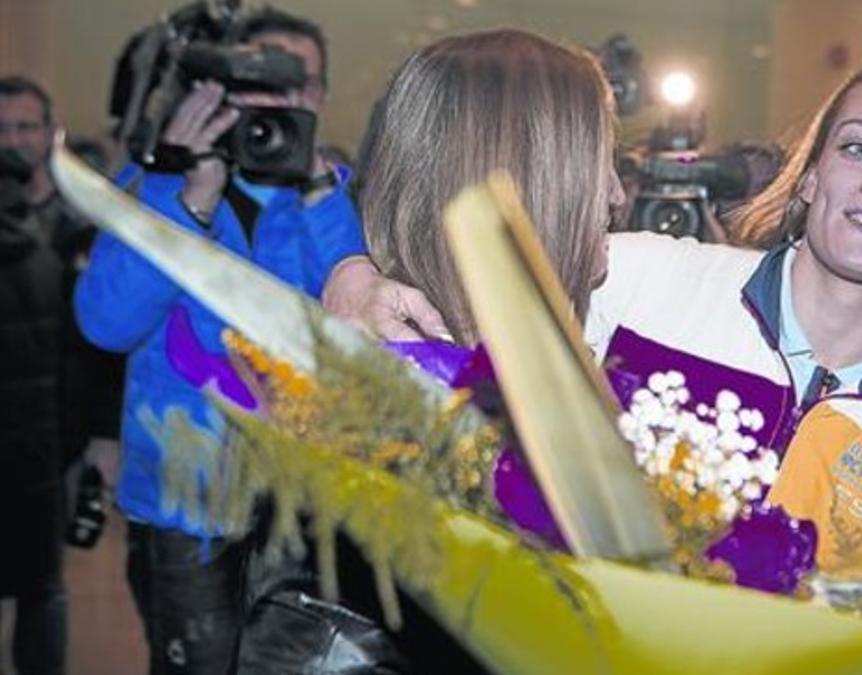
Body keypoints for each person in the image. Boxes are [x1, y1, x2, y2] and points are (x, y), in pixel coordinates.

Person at [327, 51, 862, 636]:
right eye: (857, 147)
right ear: (809, 177)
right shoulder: (640, 279)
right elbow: (454, 317)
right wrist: (352, 273)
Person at [234, 28, 624, 673]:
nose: (615, 192)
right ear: (532, 182)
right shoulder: (384, 437)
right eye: (601, 160)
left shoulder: (486, 374)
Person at [74, 8, 368, 673]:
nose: (279, 99)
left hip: (308, 509)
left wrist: (323, 198)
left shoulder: (334, 201)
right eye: (262, 75)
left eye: (299, 82)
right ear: (223, 84)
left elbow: (360, 333)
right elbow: (105, 322)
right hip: (188, 507)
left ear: (320, 96)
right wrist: (188, 197)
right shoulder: (157, 189)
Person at [0, 75, 125, 675]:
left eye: (25, 127)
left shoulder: (85, 213)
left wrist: (105, 435)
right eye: (2, 129)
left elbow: (106, 344)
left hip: (65, 431)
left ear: (51, 134)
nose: (13, 141)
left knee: (44, 581)